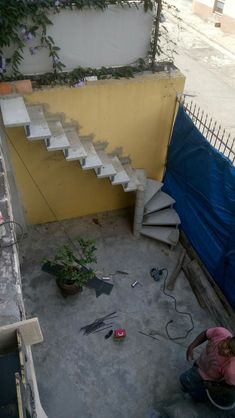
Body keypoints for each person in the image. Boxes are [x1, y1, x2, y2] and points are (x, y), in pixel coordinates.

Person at [180, 327, 235, 404]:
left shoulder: (231, 370)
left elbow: (230, 387)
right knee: (183, 379)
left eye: (231, 352)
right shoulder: (220, 333)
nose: (225, 351)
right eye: (228, 346)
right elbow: (205, 334)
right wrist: (191, 346)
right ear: (228, 338)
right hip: (199, 365)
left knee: (195, 395)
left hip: (209, 381)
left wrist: (213, 388)